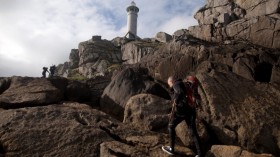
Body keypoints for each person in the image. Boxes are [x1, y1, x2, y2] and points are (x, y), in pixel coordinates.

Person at [162, 76, 203, 157]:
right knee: (193, 133)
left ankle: (171, 149)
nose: (169, 86)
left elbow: (180, 92)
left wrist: (176, 101)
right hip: (191, 111)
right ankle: (200, 154)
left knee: (171, 126)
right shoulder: (185, 84)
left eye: (169, 84)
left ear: (171, 81)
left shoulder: (176, 84)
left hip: (182, 111)